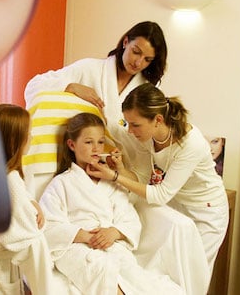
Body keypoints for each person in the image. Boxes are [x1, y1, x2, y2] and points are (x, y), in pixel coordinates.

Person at [86, 83, 229, 280]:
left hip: (207, 211)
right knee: (168, 269)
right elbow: (142, 178)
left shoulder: (191, 144)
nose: (130, 131)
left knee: (192, 276)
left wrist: (115, 177)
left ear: (158, 120)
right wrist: (119, 169)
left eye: (135, 125)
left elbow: (160, 195)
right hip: (178, 202)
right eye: (128, 124)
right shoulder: (148, 137)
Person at [38, 112, 184, 295]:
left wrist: (114, 232)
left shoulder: (110, 182)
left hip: (110, 244)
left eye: (100, 142)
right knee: (100, 270)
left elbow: (128, 217)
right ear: (71, 144)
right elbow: (48, 226)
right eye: (89, 142)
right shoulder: (61, 183)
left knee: (135, 276)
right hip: (75, 247)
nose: (96, 148)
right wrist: (83, 235)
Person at [24, 21, 168, 179]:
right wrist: (71, 86)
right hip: (77, 164)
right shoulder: (89, 68)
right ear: (126, 42)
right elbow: (34, 86)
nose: (138, 62)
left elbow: (150, 135)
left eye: (147, 59)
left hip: (121, 167)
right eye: (136, 52)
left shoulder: (147, 90)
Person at [0, 104, 64, 294]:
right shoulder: (10, 181)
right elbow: (32, 244)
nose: (31, 137)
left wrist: (31, 204)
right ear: (13, 139)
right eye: (28, 132)